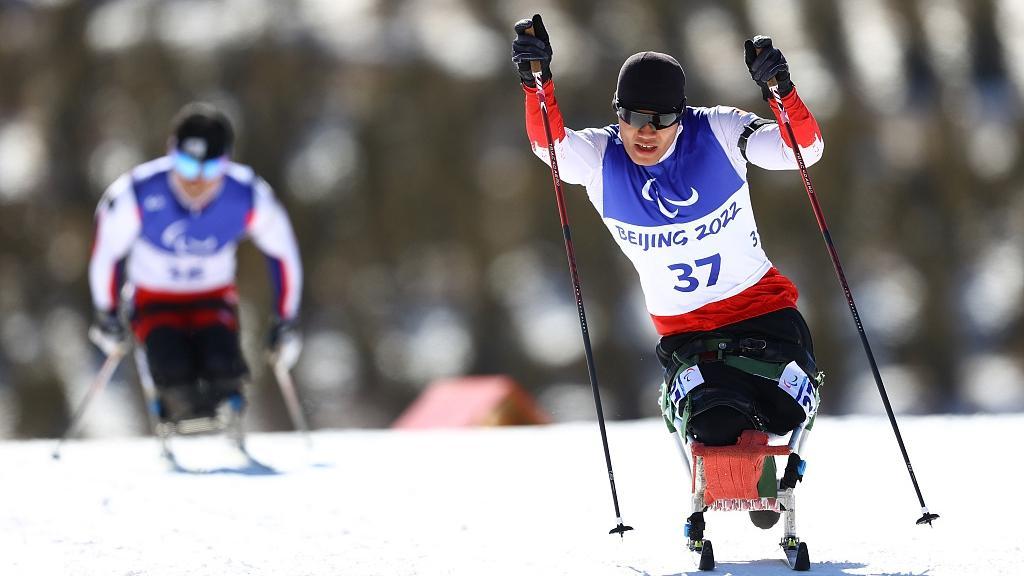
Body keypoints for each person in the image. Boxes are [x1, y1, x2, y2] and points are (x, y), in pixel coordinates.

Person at [511, 16, 822, 477]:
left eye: (661, 120)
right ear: (618, 113)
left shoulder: (718, 130)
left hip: (765, 314)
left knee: (787, 410)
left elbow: (804, 150)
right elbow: (549, 146)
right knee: (713, 425)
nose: (645, 131)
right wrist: (536, 83)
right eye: (632, 117)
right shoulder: (602, 157)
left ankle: (757, 464)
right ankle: (751, 470)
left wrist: (782, 93)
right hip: (688, 336)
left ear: (682, 114)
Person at [87, 102, 303, 426]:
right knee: (173, 375)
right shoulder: (138, 193)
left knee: (223, 370)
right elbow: (107, 251)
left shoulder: (247, 196)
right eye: (186, 167)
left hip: (212, 297)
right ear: (170, 154)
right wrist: (107, 312)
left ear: (227, 165)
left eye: (210, 170)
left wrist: (286, 319)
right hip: (154, 300)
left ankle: (228, 411)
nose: (196, 182)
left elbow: (283, 252)